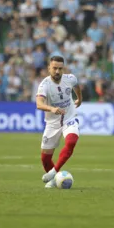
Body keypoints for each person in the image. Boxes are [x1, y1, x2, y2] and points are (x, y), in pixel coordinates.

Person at [36, 56, 82, 188]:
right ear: (49, 68)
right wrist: (51, 108)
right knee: (45, 159)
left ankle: (54, 172)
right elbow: (39, 104)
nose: (57, 71)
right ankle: (56, 179)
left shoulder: (70, 79)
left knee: (72, 141)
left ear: (63, 69)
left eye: (60, 69)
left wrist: (80, 99)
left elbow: (77, 86)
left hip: (69, 118)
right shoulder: (44, 85)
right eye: (54, 68)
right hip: (52, 123)